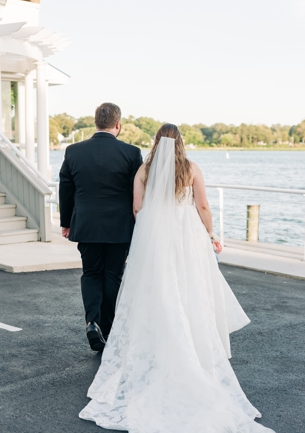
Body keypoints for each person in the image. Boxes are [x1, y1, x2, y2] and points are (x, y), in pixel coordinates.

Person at [79, 125, 272, 432]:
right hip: (188, 239)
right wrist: (210, 235)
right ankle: (194, 350)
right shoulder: (192, 169)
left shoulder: (144, 170)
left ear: (156, 142)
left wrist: (152, 236)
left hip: (156, 244)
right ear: (180, 142)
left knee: (157, 294)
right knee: (191, 292)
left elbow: (137, 209)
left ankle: (160, 348)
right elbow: (203, 206)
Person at [58, 102, 143, 351]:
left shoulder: (73, 151)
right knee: (112, 275)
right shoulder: (131, 152)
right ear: (118, 125)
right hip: (120, 226)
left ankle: (92, 322)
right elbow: (135, 192)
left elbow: (66, 188)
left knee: (91, 273)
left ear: (95, 122)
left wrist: (66, 223)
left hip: (85, 224)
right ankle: (108, 328)